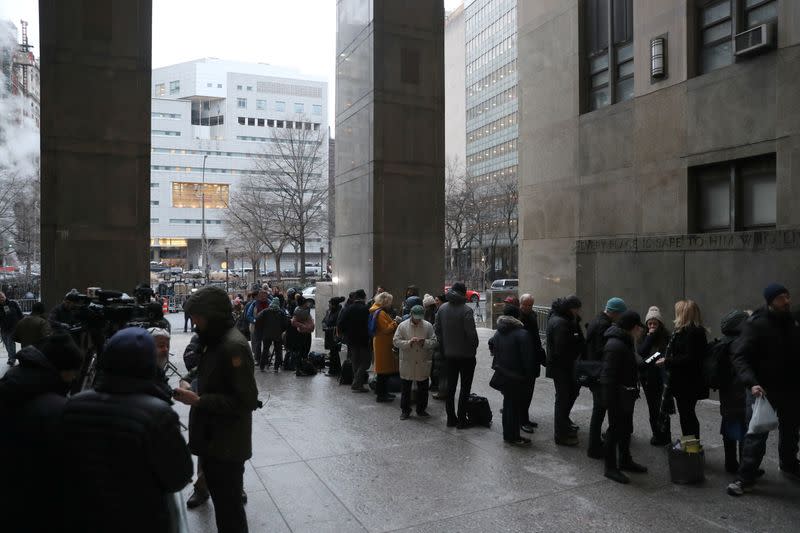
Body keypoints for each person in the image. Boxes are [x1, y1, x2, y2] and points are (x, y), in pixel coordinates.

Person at [62, 328, 193, 532]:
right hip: (141, 518)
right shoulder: (158, 414)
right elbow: (179, 477)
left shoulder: (73, 404)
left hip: (86, 515)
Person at [174, 286, 260, 532]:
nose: (194, 322)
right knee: (225, 505)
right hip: (213, 439)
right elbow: (205, 370)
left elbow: (246, 401)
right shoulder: (213, 339)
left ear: (211, 315)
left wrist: (199, 400)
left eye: (197, 316)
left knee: (229, 510)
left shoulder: (233, 346)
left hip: (227, 444)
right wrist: (189, 379)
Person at [0, 333, 84, 532]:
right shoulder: (58, 410)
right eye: (73, 372)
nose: (74, 378)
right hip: (40, 509)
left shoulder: (10, 386)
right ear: (61, 370)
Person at [727, 283, 800, 496]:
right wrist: (752, 382)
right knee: (757, 434)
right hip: (762, 390)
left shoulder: (793, 321)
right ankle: (745, 477)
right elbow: (739, 356)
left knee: (791, 430)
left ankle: (789, 464)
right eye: (781, 298)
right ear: (770, 302)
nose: (786, 301)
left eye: (787, 296)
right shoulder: (756, 324)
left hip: (790, 389)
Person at [601, 310, 648, 484]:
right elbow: (609, 375)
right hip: (617, 395)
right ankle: (610, 468)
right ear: (633, 327)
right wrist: (611, 399)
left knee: (626, 428)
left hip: (625, 393)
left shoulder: (624, 341)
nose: (640, 331)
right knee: (615, 430)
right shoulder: (616, 344)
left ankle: (625, 460)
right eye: (638, 328)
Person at [655, 300, 708, 439]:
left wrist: (667, 361)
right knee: (687, 414)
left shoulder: (692, 332)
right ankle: (689, 444)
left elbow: (690, 358)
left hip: (688, 383)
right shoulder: (687, 331)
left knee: (687, 415)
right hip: (686, 382)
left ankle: (691, 447)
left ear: (684, 314)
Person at [585, 297, 627, 458]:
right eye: (620, 314)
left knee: (598, 410)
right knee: (599, 411)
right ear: (615, 313)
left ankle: (594, 445)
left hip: (595, 372)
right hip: (599, 373)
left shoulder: (597, 320)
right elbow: (602, 350)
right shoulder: (604, 325)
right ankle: (594, 447)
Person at [489, 305, 535, 446]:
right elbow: (528, 359)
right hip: (518, 376)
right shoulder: (522, 334)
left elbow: (492, 345)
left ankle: (508, 434)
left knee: (508, 405)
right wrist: (529, 375)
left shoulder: (498, 332)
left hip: (503, 374)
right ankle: (513, 436)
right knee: (514, 407)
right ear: (517, 317)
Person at [435, 282, 479, 428]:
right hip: (466, 356)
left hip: (449, 355)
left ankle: (450, 418)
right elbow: (472, 335)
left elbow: (438, 332)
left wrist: (444, 348)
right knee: (465, 388)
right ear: (463, 293)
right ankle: (462, 419)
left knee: (450, 387)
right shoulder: (466, 310)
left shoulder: (442, 308)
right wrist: (473, 348)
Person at [546, 295, 585, 446]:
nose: (579, 311)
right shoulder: (561, 323)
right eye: (577, 309)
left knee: (567, 396)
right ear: (571, 309)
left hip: (563, 367)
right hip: (562, 368)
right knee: (563, 399)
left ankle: (564, 426)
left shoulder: (563, 320)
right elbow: (562, 350)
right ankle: (560, 434)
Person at [715, 309, 750, 474]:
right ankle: (745, 466)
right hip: (741, 394)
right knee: (745, 430)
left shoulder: (723, 343)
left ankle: (730, 463)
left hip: (726, 395)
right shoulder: (742, 343)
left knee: (729, 428)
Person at [394, 304, 437, 418]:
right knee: (406, 388)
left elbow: (434, 341)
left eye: (420, 318)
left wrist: (424, 342)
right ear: (411, 315)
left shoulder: (428, 326)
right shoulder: (403, 326)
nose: (418, 320)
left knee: (423, 387)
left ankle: (421, 409)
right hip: (408, 360)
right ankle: (405, 410)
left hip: (422, 360)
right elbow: (396, 341)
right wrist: (408, 343)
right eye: (416, 317)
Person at [636, 306, 671, 446]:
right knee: (652, 408)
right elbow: (642, 352)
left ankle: (665, 435)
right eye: (649, 323)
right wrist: (650, 337)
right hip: (648, 377)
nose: (652, 326)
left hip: (662, 376)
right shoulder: (644, 336)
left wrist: (652, 358)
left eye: (654, 323)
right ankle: (656, 434)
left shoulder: (666, 336)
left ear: (660, 324)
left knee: (663, 407)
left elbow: (663, 354)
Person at [518, 294, 546, 433]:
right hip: (524, 361)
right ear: (521, 304)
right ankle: (522, 420)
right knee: (523, 393)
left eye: (530, 305)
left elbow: (536, 340)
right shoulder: (518, 319)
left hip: (533, 359)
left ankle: (525, 418)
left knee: (529, 392)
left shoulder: (532, 316)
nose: (528, 307)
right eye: (526, 304)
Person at [338, 289, 371, 393]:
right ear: (364, 297)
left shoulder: (348, 308)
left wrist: (345, 334)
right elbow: (370, 325)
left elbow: (341, 323)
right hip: (363, 339)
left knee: (355, 361)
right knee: (365, 362)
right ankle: (357, 383)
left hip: (351, 339)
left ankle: (358, 383)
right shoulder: (366, 309)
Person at [371, 292, 400, 402]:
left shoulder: (378, 311)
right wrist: (395, 322)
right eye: (390, 302)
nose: (391, 304)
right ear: (385, 301)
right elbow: (386, 329)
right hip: (382, 344)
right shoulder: (380, 313)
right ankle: (381, 395)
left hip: (382, 343)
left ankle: (384, 393)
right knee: (382, 372)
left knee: (384, 371)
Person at [262, 298, 289, 372]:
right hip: (277, 334)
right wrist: (281, 330)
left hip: (267, 334)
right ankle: (276, 368)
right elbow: (285, 324)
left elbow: (259, 319)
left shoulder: (265, 311)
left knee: (265, 350)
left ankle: (262, 366)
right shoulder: (281, 312)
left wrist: (263, 329)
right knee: (278, 351)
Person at [323, 297, 346, 376]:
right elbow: (325, 320)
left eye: (330, 304)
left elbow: (338, 324)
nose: (328, 305)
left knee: (334, 354)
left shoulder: (339, 312)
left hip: (334, 336)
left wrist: (329, 327)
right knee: (333, 354)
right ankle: (336, 370)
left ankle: (333, 371)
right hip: (330, 335)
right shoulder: (330, 311)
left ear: (333, 305)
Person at [248, 290, 271, 366]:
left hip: (267, 327)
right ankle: (257, 359)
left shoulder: (270, 303)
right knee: (258, 343)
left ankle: (266, 359)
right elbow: (248, 315)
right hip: (257, 326)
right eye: (261, 295)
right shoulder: (254, 304)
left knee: (266, 344)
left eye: (264, 295)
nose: (263, 297)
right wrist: (254, 321)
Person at [0, 291, 23, 365]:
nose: (1, 299)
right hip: (3, 327)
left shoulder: (13, 303)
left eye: (2, 297)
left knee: (10, 343)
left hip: (13, 327)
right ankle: (11, 356)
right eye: (0, 298)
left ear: (5, 296)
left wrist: (22, 323)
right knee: (6, 343)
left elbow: (20, 314)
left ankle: (12, 359)